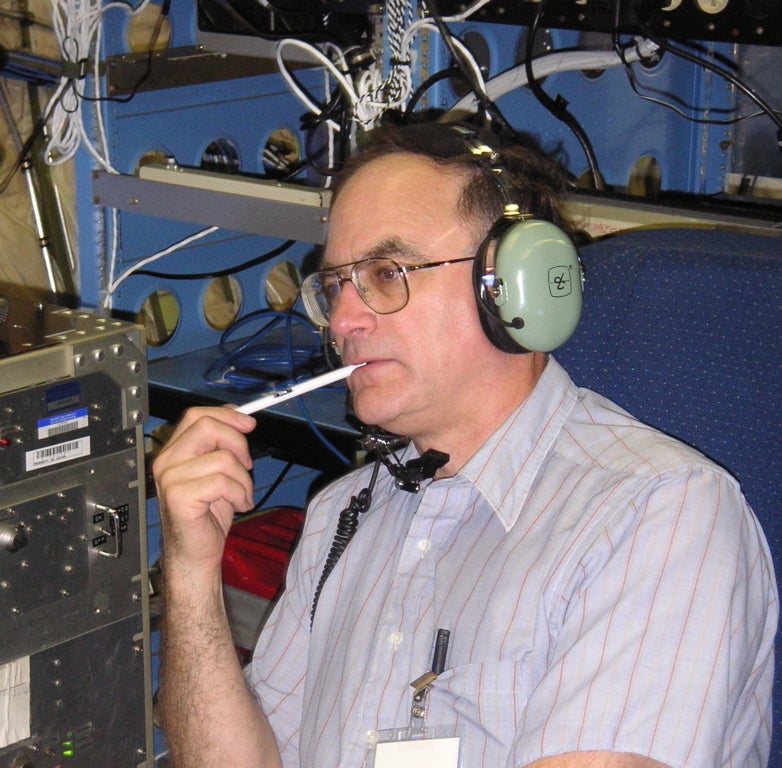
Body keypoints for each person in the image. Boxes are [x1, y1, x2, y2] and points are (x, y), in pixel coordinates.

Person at [153, 120, 778, 768]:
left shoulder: (658, 517)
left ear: (513, 285)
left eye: (387, 272)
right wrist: (191, 572)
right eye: (336, 284)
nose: (342, 320)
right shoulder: (344, 515)